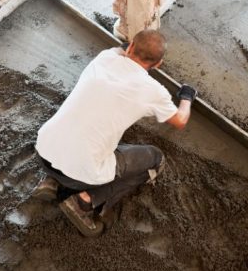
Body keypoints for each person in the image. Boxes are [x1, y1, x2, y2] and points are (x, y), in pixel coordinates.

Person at [34, 29, 197, 237]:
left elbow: (119, 51)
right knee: (154, 158)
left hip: (42, 152)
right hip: (80, 174)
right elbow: (180, 120)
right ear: (158, 64)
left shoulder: (105, 58)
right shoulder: (154, 91)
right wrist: (187, 96)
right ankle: (84, 202)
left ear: (130, 48)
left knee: (82, 135)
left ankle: (52, 182)